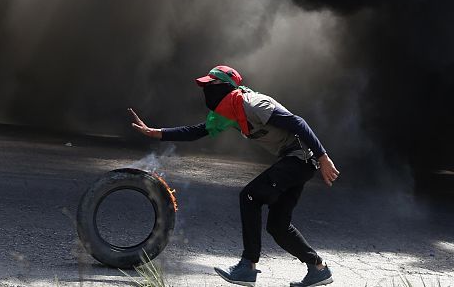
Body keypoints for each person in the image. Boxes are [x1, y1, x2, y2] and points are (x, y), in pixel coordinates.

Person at [129, 64, 339, 287]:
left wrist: (323, 157)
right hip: (295, 161)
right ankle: (318, 268)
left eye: (211, 84)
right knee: (278, 226)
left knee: (250, 196)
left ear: (225, 86)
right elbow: (196, 131)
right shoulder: (229, 112)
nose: (206, 90)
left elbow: (297, 122)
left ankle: (248, 266)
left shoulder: (253, 103)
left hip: (301, 159)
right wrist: (157, 133)